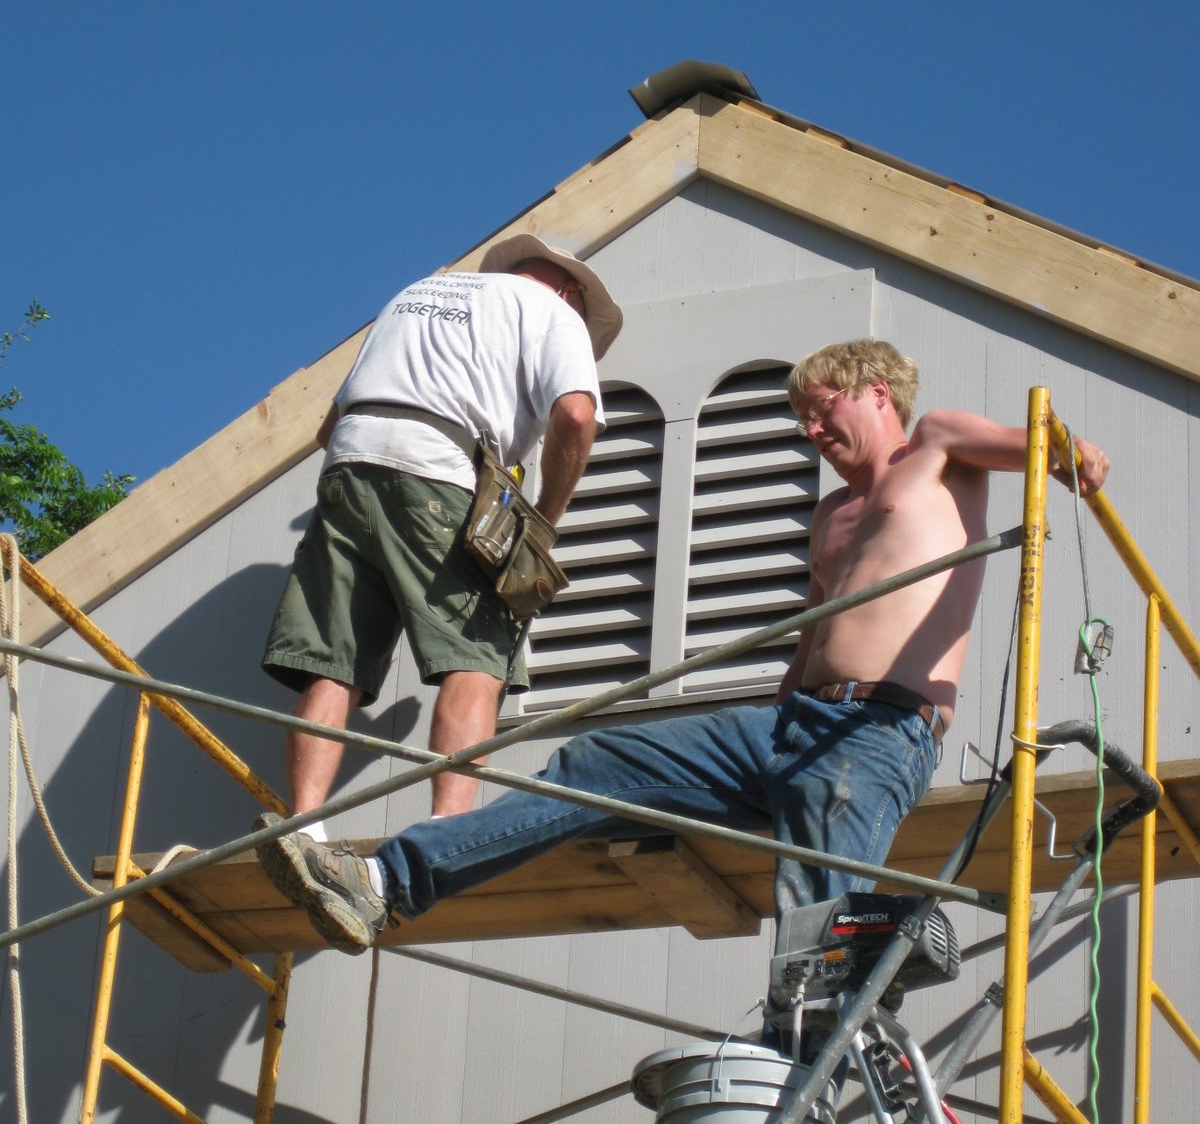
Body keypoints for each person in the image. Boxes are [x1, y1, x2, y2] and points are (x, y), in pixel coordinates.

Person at [256, 337, 1110, 954]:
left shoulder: (937, 446)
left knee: (815, 937)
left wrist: (1075, 453)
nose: (813, 431)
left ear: (877, 391)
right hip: (789, 726)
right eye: (803, 419)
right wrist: (775, 722)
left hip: (876, 735)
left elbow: (1039, 444)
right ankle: (387, 884)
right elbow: (812, 641)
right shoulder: (829, 516)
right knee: (596, 762)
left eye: (825, 410)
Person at [260, 232, 622, 824]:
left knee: (334, 662)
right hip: (441, 472)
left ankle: (305, 824)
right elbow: (576, 415)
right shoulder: (555, 311)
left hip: (349, 465)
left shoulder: (415, 294)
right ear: (568, 289)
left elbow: (327, 432)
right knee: (476, 655)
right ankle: (444, 830)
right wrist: (544, 520)